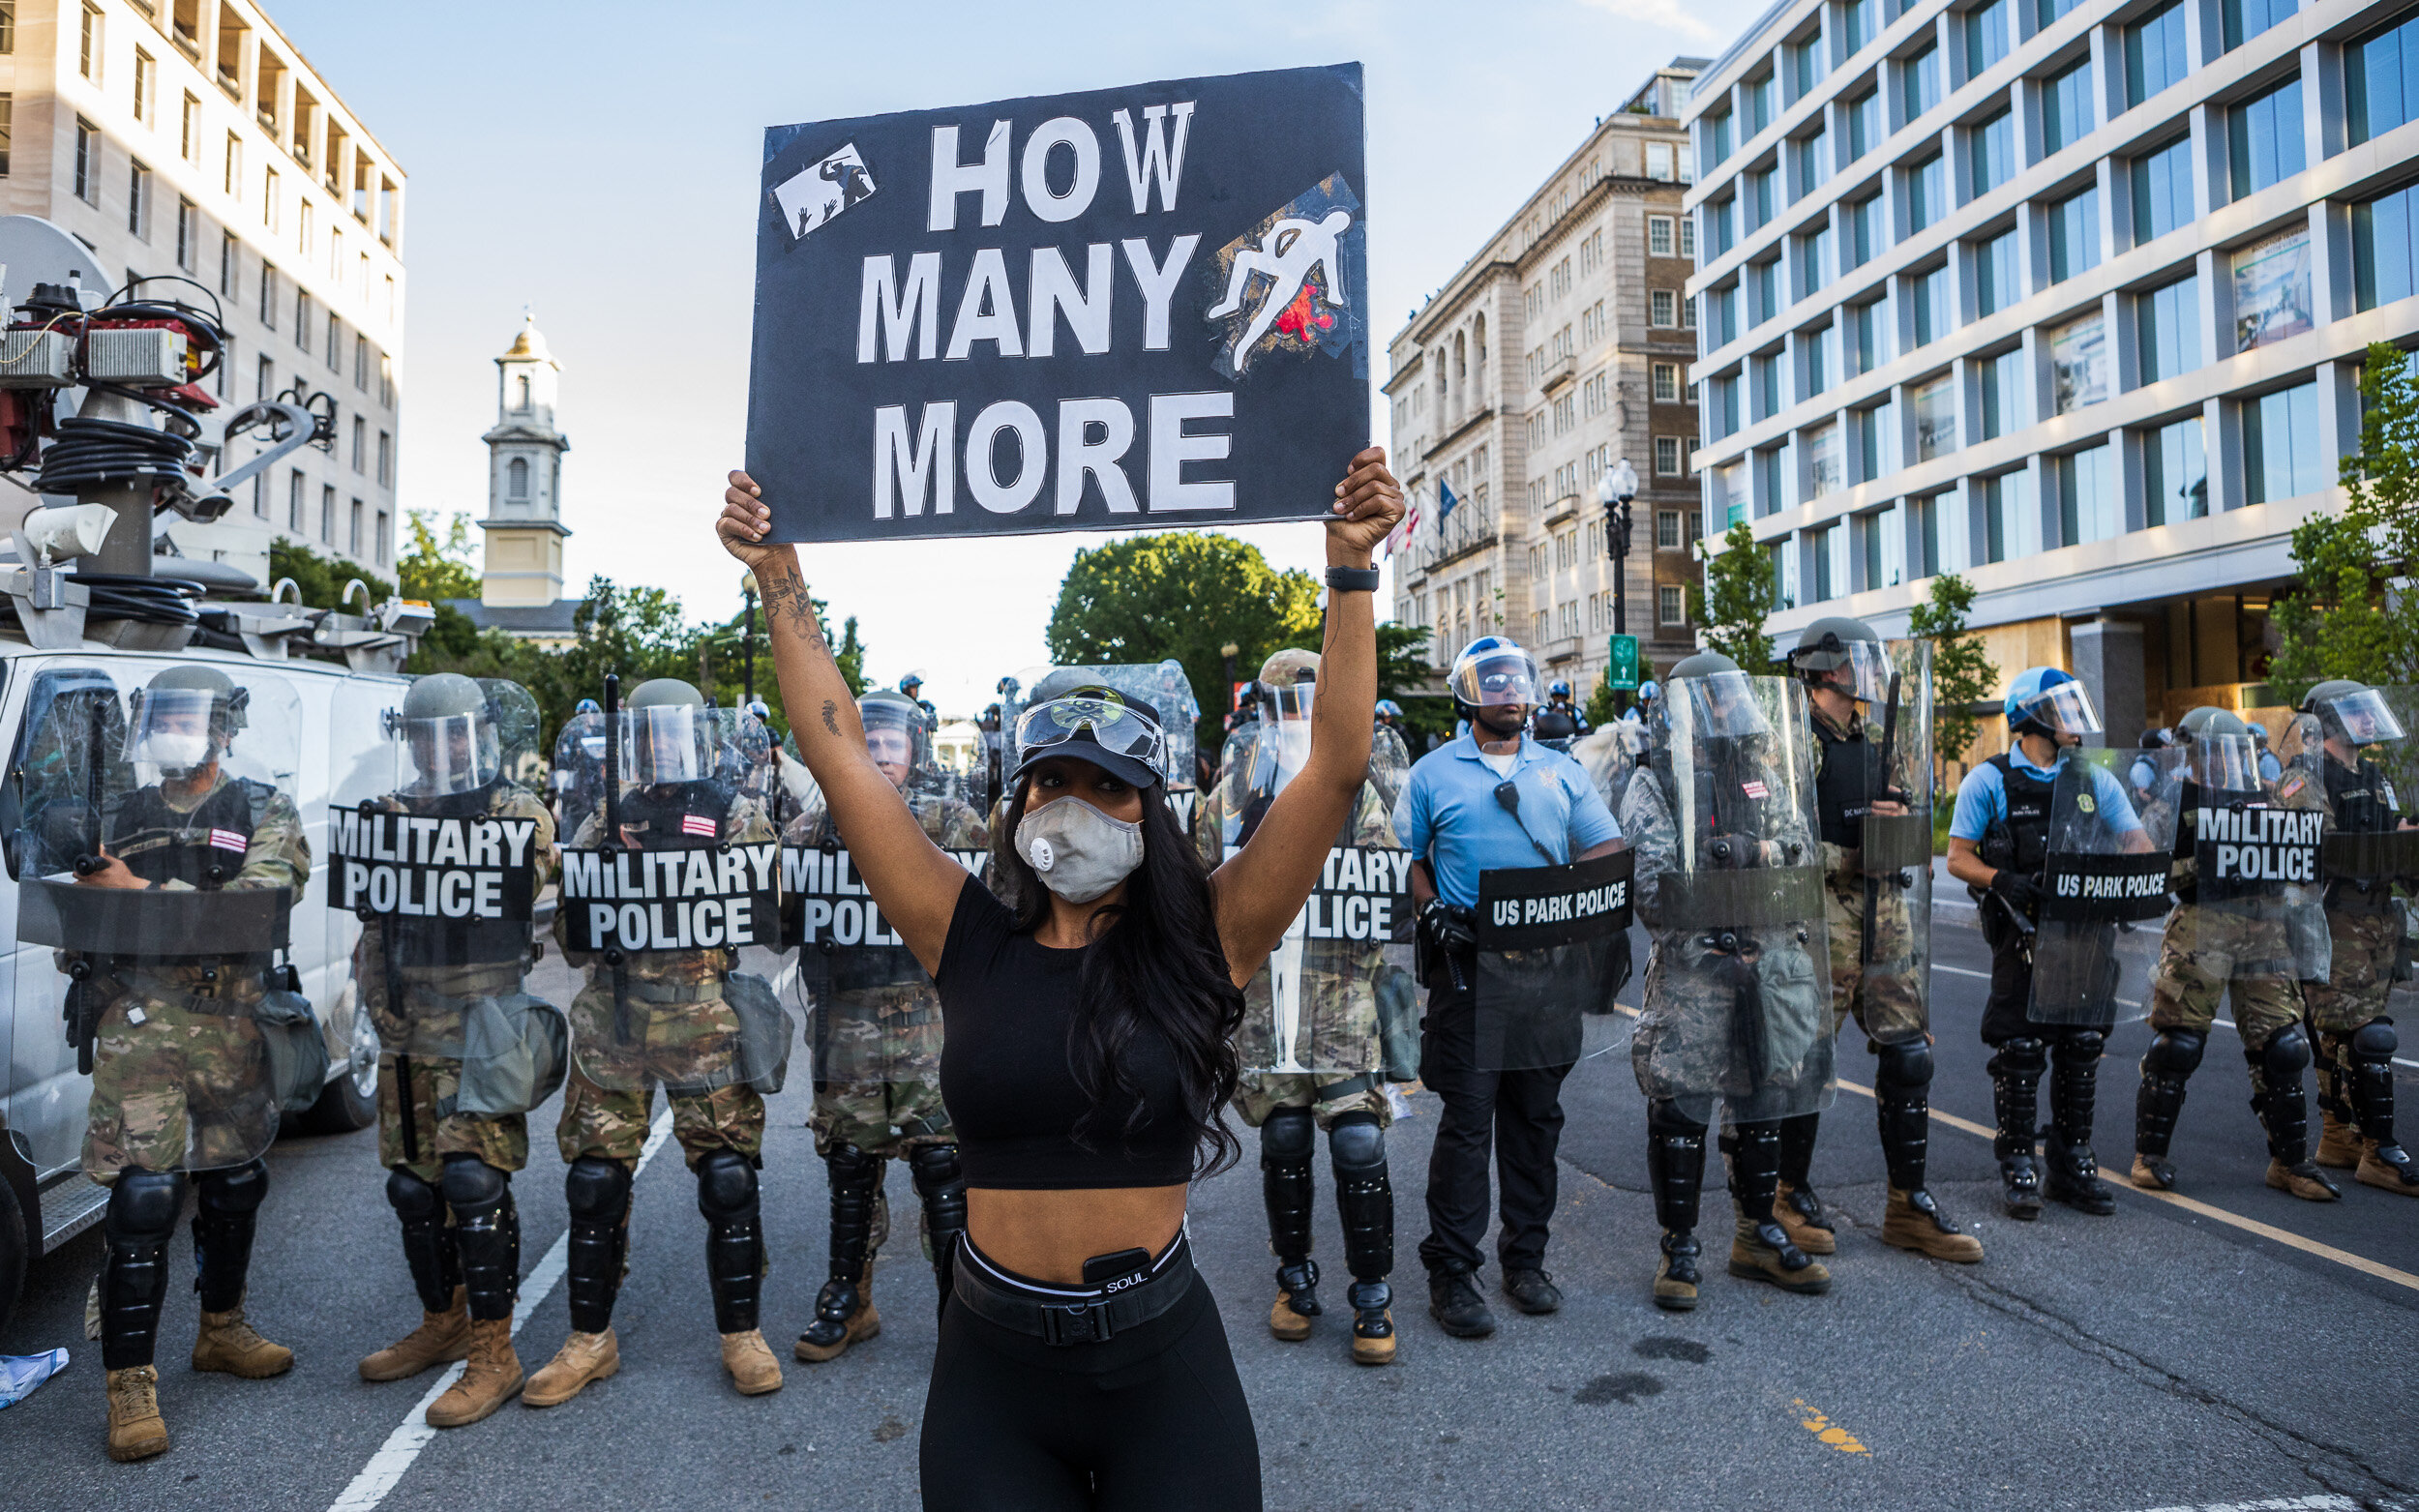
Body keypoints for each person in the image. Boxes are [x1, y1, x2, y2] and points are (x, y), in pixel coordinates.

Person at [722, 447, 1403, 1510]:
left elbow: (1334, 763)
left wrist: (1349, 572)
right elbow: (842, 751)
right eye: (1050, 782)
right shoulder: (966, 934)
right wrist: (778, 575)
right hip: (991, 1367)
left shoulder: (1211, 938)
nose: (1072, 806)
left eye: (1108, 788)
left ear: (1151, 810)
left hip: (1159, 1363)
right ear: (1016, 805)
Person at [65, 666, 310, 1461]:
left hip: (231, 1025)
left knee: (237, 1181)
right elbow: (79, 903)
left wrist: (137, 887)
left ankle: (222, 1327)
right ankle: (129, 1383)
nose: (175, 727)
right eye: (163, 713)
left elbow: (258, 903)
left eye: (191, 715)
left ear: (226, 727)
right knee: (144, 1198)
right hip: (139, 1027)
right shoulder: (114, 812)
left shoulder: (264, 807)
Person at [527, 679, 790, 1404]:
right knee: (594, 1182)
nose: (662, 745)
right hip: (615, 1023)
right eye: (647, 733)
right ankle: (590, 1339)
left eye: (673, 731)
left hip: (704, 1022)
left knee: (729, 1179)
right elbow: (572, 942)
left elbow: (764, 909)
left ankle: (742, 1332)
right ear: (631, 742)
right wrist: (606, 859)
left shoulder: (736, 813)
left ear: (697, 736)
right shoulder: (607, 817)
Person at [1394, 636, 1625, 1337]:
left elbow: (1605, 845)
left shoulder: (1562, 771)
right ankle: (1451, 1272)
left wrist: (1578, 901)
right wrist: (1431, 908)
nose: (1507, 693)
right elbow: (1408, 858)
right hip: (1471, 972)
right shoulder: (1433, 773)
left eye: (1515, 682)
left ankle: (1526, 1261)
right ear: (1468, 694)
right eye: (1491, 683)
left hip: (1546, 976)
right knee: (1467, 1127)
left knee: (1535, 1124)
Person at [355, 676, 560, 1427]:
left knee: (475, 1183)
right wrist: (378, 1004)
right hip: (409, 1026)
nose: (440, 748)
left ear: (481, 734)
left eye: (455, 733)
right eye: (425, 734)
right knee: (414, 1189)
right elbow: (373, 916)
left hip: (483, 1026)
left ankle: (493, 1354)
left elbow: (521, 877)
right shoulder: (387, 813)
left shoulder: (517, 812)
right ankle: (440, 1320)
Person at [1212, 650, 1410, 1365]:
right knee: (1286, 1136)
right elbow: (1204, 877)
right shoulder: (1236, 787)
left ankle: (1373, 1294)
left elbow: (1385, 883)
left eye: (1308, 698)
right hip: (1268, 999)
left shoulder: (1352, 786)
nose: (1296, 712)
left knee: (1359, 1142)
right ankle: (1293, 1280)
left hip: (1339, 993)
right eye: (1285, 700)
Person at [1621, 653, 1835, 1309]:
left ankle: (1756, 1231)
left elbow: (1801, 852)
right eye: (1711, 699)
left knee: (1765, 1096)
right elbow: (1658, 888)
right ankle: (1679, 1246)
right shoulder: (1656, 780)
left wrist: (1745, 854)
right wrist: (1743, 869)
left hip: (1767, 964)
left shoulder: (1765, 774)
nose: (1724, 710)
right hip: (1697, 968)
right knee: (1681, 1106)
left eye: (1730, 697)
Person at [791, 691, 990, 1363]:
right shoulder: (813, 828)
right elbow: (779, 919)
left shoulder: (952, 820)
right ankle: (850, 1297)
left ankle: (959, 1308)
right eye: (868, 742)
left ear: (916, 751)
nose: (879, 755)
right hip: (846, 1024)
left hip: (929, 1023)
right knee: (850, 1163)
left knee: (942, 1165)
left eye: (892, 744)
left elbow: (995, 908)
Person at [1779, 618, 1981, 1262]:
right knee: (1806, 1058)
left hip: (1885, 911)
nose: (1869, 672)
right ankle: (1786, 1193)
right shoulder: (1793, 740)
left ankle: (1907, 1203)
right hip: (1821, 914)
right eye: (1856, 661)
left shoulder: (1876, 739)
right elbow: (1776, 840)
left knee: (1910, 1054)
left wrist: (1901, 829)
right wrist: (1853, 851)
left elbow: (1907, 814)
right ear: (1828, 669)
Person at [1946, 668, 2152, 1219]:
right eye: (2063, 709)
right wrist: (2000, 879)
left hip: (2085, 934)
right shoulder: (1988, 780)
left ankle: (2071, 1161)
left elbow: (2137, 841)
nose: (2075, 720)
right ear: (2033, 716)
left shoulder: (2094, 780)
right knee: (2021, 1048)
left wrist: (2128, 883)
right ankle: (2018, 1162)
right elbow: (1958, 857)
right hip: (2023, 934)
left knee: (2082, 1043)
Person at [2132, 706, 2337, 1201]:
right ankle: (2148, 1156)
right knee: (2178, 1043)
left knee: (2285, 1046)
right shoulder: (2173, 802)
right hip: (2202, 926)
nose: (2224, 760)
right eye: (2213, 751)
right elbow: (2151, 865)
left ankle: (2290, 1163)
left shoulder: (2263, 799)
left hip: (2263, 924)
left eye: (2232, 751)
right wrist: (2199, 863)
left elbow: (2308, 844)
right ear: (2195, 753)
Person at [2298, 682, 2418, 1194]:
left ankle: (2337, 1136)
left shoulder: (2373, 775)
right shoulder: (2306, 777)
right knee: (2371, 1036)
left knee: (2342, 1035)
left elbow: (2391, 833)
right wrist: (2389, 844)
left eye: (2368, 712)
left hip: (2379, 922)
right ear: (2328, 721)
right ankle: (2378, 1150)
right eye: (2355, 713)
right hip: (2336, 919)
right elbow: (2316, 850)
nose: (2367, 721)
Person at [1531, 680, 1591, 748]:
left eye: (1562, 696)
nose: (1560, 698)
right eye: (1556, 695)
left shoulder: (1574, 711)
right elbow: (1536, 725)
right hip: (1547, 747)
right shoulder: (1544, 709)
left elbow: (1585, 729)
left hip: (1569, 748)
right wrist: (1552, 715)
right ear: (1552, 696)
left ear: (1566, 697)